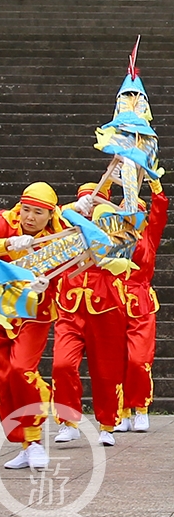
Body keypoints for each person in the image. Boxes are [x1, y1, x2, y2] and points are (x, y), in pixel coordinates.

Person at [0, 183, 62, 470]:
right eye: (26, 210)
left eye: (38, 213)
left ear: (49, 214)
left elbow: (67, 267)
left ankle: (35, 438)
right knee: (2, 379)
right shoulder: (4, 222)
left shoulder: (58, 235)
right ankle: (26, 443)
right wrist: (5, 244)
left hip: (33, 313)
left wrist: (45, 285)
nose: (29, 218)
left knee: (21, 369)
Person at [52, 185, 128, 446]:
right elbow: (54, 219)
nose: (91, 205)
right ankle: (67, 420)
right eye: (86, 201)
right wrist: (72, 211)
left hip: (105, 306)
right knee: (62, 365)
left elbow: (126, 262)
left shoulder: (117, 229)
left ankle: (107, 424)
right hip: (70, 307)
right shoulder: (68, 225)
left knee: (106, 369)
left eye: (96, 201)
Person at [116, 179, 168, 433]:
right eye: (126, 211)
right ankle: (122, 410)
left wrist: (155, 186)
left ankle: (141, 407)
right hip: (112, 302)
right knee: (116, 360)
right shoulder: (109, 237)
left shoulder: (150, 235)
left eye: (136, 211)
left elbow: (160, 210)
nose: (131, 216)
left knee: (138, 359)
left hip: (141, 304)